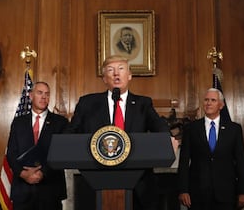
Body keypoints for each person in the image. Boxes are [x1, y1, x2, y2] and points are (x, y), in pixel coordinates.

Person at [65, 55, 170, 210]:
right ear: (104, 78)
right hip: (97, 182)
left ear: (129, 76)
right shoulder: (88, 103)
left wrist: (169, 138)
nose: (116, 73)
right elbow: (71, 133)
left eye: (121, 69)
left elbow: (159, 127)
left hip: (139, 184)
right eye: (110, 70)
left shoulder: (143, 104)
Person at [178, 88, 244, 210]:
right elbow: (184, 162)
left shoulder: (234, 129)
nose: (208, 103)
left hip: (226, 193)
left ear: (221, 105)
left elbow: (241, 161)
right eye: (206, 100)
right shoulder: (191, 128)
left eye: (213, 100)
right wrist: (183, 190)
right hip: (198, 193)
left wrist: (243, 192)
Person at [6, 81, 68, 210]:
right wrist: (23, 174)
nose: (44, 97)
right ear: (31, 95)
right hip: (23, 191)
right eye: (40, 93)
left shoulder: (60, 122)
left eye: (47, 94)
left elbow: (61, 154)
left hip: (50, 190)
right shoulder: (19, 122)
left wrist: (42, 173)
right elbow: (11, 153)